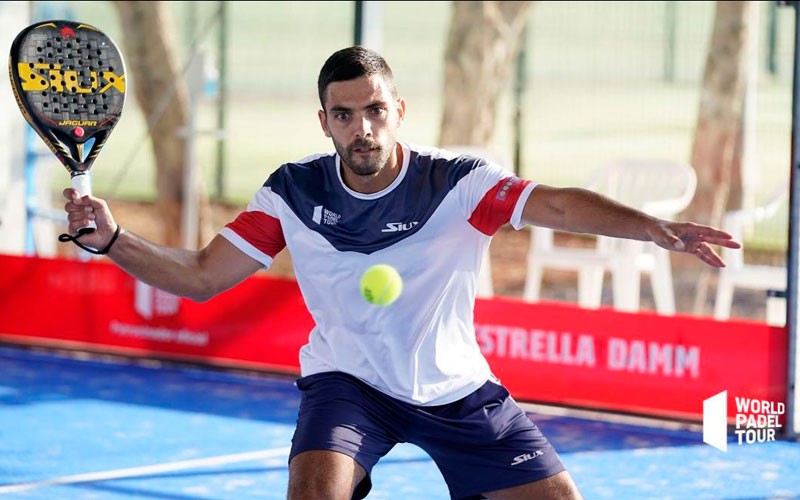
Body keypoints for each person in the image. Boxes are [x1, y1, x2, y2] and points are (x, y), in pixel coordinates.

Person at [63, 46, 740, 499]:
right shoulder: (292, 193)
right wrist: (113, 239)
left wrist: (656, 228)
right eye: (346, 114)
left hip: (457, 388)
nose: (363, 128)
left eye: (375, 110)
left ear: (398, 112)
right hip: (349, 385)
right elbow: (204, 275)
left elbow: (556, 202)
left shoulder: (458, 184)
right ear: (325, 121)